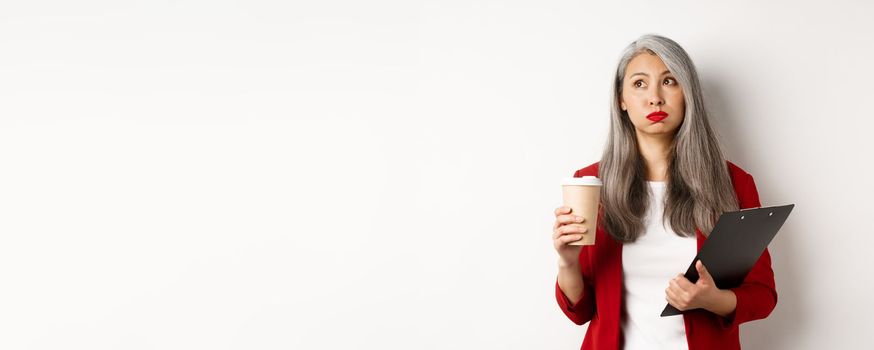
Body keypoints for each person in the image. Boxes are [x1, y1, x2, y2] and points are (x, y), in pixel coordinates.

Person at [551, 34, 777, 350]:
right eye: (640, 84)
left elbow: (763, 295)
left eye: (669, 81)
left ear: (688, 93)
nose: (655, 97)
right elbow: (581, 311)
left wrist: (713, 300)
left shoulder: (732, 182)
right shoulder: (590, 183)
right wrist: (567, 262)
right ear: (622, 99)